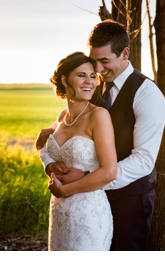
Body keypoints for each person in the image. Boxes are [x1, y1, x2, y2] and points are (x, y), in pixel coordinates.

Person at [37, 20, 165, 250]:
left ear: (125, 53)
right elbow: (59, 135)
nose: (97, 70)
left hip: (130, 200)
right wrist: (49, 161)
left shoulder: (147, 94)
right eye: (94, 61)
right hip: (88, 201)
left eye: (104, 61)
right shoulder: (96, 88)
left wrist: (89, 178)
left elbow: (144, 161)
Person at [39, 52, 117, 250]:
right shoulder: (62, 116)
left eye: (93, 76)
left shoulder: (98, 116)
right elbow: (44, 148)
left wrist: (64, 190)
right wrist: (49, 166)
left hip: (88, 214)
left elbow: (109, 172)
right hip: (60, 212)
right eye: (82, 75)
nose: (89, 82)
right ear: (65, 80)